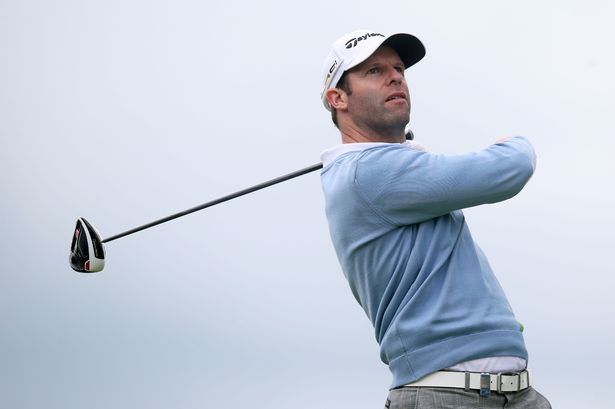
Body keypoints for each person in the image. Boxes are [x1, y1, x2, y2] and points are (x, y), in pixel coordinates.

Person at [319, 29, 551, 408]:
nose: (395, 76)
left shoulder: (382, 169)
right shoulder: (367, 172)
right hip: (445, 395)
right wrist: (517, 141)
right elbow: (511, 167)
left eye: (398, 68)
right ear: (338, 99)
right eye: (374, 71)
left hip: (514, 393)